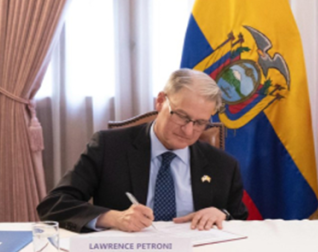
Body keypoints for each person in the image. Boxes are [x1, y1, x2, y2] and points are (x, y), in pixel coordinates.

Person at [37, 69, 247, 232]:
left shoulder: (223, 165)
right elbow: (54, 205)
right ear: (161, 101)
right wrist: (114, 218)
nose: (189, 130)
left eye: (200, 123)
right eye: (182, 116)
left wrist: (222, 213)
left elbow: (239, 217)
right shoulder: (109, 148)